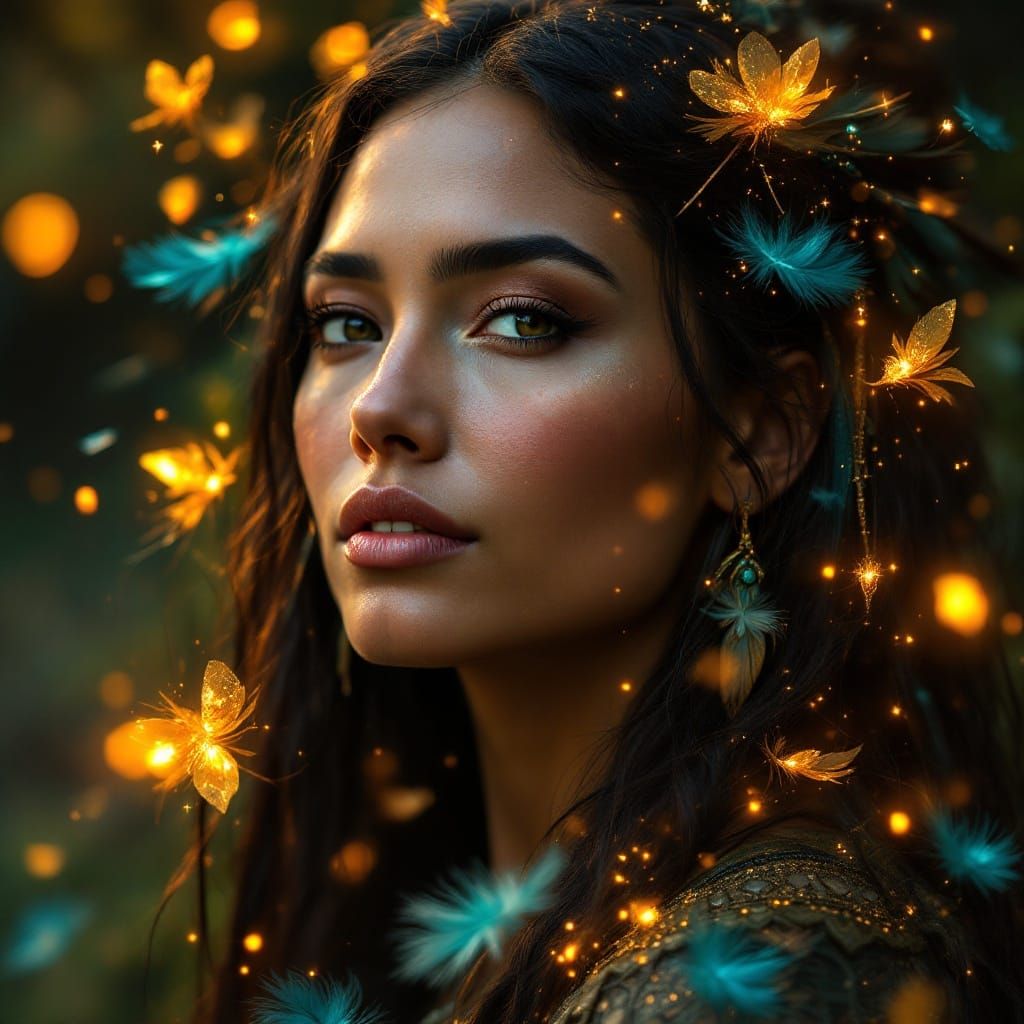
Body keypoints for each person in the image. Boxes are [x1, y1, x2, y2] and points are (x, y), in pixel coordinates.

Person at [182, 0, 1024, 1020]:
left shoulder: (764, 978)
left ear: (757, 434)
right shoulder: (447, 949)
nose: (381, 411)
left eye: (523, 321)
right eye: (348, 323)